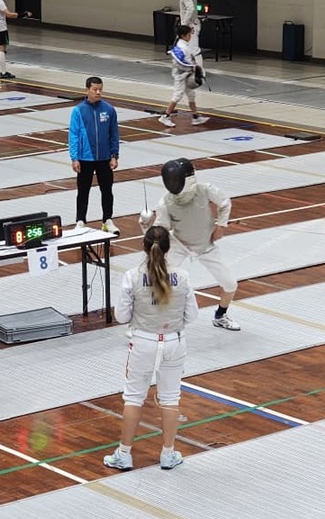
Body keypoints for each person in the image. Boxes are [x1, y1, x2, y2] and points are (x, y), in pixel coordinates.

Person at [104, 225, 199, 471]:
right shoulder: (183, 276)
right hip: (174, 342)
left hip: (143, 342)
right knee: (170, 398)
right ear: (168, 249)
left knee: (134, 397)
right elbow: (192, 316)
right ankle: (168, 454)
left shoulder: (132, 276)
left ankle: (124, 454)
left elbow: (122, 316)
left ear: (144, 247)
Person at [142, 158, 240, 331]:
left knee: (230, 284)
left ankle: (220, 316)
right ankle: (145, 321)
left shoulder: (205, 190)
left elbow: (224, 202)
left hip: (206, 246)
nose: (173, 183)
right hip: (179, 245)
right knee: (156, 279)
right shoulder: (166, 202)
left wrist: (221, 225)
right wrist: (146, 226)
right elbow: (162, 231)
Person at [68, 76, 120, 234]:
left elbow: (114, 134)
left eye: (100, 90)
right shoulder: (78, 111)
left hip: (104, 158)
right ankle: (80, 220)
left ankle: (107, 220)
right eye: (95, 89)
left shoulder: (109, 110)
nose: (98, 92)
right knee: (83, 191)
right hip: (85, 158)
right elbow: (73, 135)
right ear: (87, 90)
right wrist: (74, 157)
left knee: (107, 190)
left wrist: (114, 155)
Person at [158, 25, 210, 129]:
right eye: (189, 34)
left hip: (187, 75)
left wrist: (193, 68)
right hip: (180, 76)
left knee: (191, 95)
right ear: (183, 35)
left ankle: (195, 117)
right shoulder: (181, 47)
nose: (190, 36)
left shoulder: (185, 45)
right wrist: (192, 67)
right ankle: (165, 116)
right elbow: (179, 63)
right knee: (177, 95)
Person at [174, 0, 203, 69]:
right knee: (185, 48)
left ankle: (200, 71)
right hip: (190, 25)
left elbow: (191, 9)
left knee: (194, 49)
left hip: (191, 26)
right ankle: (189, 69)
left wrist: (184, 24)